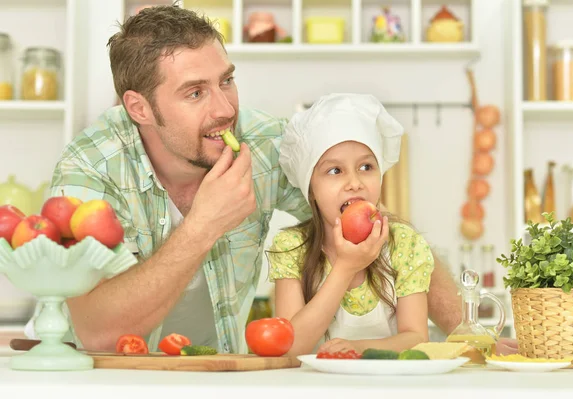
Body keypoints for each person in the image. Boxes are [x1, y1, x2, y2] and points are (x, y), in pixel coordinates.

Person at [33, 5, 516, 355]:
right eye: (195, 92)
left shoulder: (266, 145)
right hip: (109, 382)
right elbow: (97, 334)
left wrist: (475, 335)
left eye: (226, 80)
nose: (224, 108)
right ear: (139, 107)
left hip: (221, 371)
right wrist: (204, 224)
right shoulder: (91, 168)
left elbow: (374, 227)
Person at [267, 93, 431, 357]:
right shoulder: (292, 247)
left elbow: (416, 338)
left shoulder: (404, 243)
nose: (355, 182)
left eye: (366, 166)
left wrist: (359, 348)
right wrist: (345, 267)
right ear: (311, 189)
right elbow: (290, 347)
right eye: (335, 171)